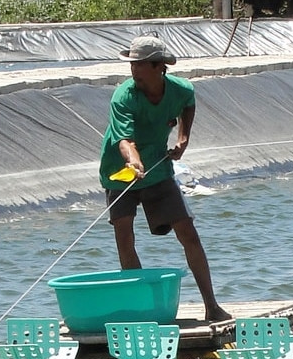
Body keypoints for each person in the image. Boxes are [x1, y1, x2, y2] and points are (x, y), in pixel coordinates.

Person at [99, 35, 232, 323]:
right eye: (132, 64)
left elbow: (188, 104)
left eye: (140, 65)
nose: (134, 70)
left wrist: (184, 137)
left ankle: (212, 306)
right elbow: (124, 140)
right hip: (120, 172)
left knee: (188, 231)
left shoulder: (180, 89)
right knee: (124, 236)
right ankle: (140, 311)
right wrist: (133, 161)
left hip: (158, 169)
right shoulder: (123, 96)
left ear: (159, 66)